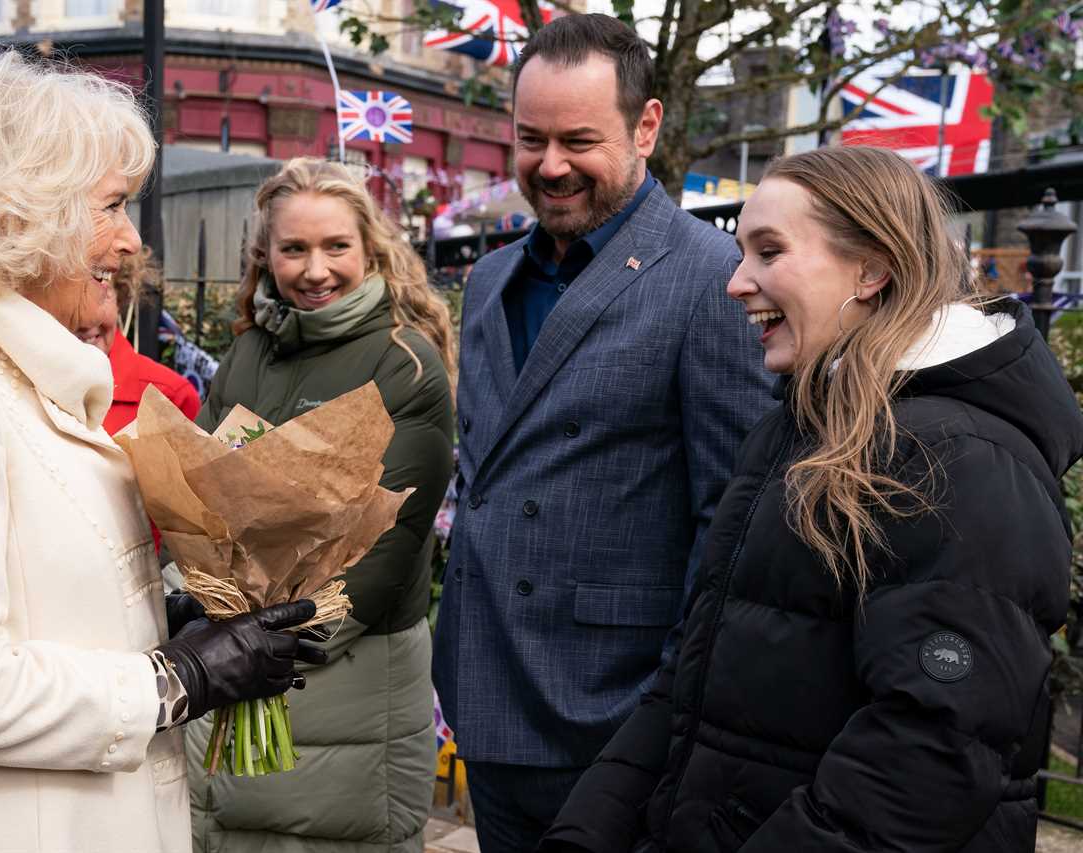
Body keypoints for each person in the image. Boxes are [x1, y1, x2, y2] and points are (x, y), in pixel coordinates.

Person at [0, 51, 323, 853]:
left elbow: (39, 605)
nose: (129, 240)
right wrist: (179, 679)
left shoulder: (12, 371)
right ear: (20, 215)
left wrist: (188, 627)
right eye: (113, 205)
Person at [540, 146, 1083, 853]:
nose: (737, 282)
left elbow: (928, 752)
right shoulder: (799, 425)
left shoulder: (963, 460)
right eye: (742, 252)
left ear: (872, 267)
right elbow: (692, 684)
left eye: (769, 251)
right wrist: (585, 831)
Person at [430, 14, 774, 851]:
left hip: (615, 727)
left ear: (646, 126)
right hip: (487, 704)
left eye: (578, 140)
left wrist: (665, 715)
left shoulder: (710, 279)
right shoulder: (489, 280)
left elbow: (731, 524)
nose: (550, 167)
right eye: (529, 140)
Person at [184, 157, 455, 853]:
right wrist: (204, 601)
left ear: (370, 248)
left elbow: (384, 550)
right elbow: (198, 493)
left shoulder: (404, 364)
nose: (314, 269)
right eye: (294, 248)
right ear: (265, 254)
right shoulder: (247, 353)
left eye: (335, 246)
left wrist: (265, 639)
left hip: (341, 682)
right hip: (235, 667)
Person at [75, 245, 200, 435]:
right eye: (73, 295)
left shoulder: (170, 398)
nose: (87, 319)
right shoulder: (21, 387)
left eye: (102, 293)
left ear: (120, 296)